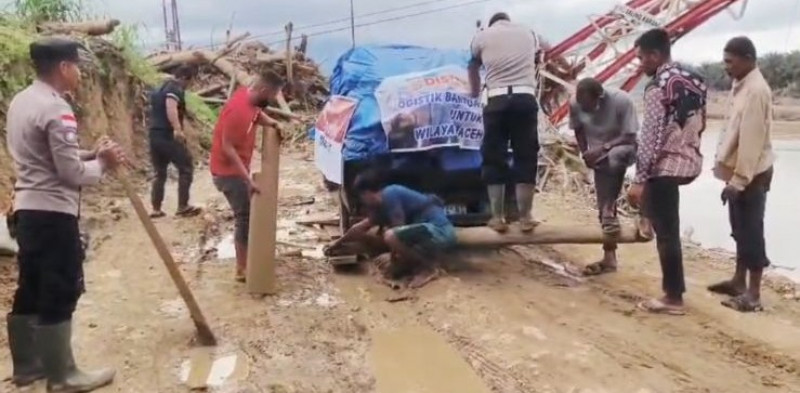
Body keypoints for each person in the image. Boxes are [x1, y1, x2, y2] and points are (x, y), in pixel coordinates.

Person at [6, 37, 124, 392]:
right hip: (54, 214)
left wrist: (88, 153)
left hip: (27, 211)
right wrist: (103, 163)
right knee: (59, 289)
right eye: (77, 67)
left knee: (31, 286)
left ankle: (27, 366)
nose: (80, 74)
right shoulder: (57, 109)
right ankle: (63, 376)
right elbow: (70, 174)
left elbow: (47, 157)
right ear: (64, 67)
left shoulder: (22, 101)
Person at [626, 28, 708, 315]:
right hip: (690, 161)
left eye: (641, 59)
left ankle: (673, 297)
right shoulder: (695, 81)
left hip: (665, 165)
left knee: (668, 233)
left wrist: (638, 179)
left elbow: (650, 136)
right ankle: (646, 217)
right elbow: (700, 123)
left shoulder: (657, 86)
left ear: (655, 55)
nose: (640, 65)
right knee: (667, 225)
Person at [707, 36, 774, 313]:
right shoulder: (741, 86)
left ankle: (754, 295)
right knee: (739, 229)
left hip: (750, 175)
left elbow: (751, 142)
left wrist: (739, 181)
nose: (726, 67)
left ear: (747, 59)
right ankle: (738, 281)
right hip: (738, 173)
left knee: (751, 232)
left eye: (729, 61)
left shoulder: (756, 91)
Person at [209, 71, 285, 282]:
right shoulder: (237, 110)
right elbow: (227, 147)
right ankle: (242, 268)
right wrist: (248, 179)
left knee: (248, 216)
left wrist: (272, 123)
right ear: (263, 90)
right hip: (227, 173)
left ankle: (248, 260)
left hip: (235, 171)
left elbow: (256, 114)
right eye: (271, 95)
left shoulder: (248, 98)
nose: (271, 100)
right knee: (244, 218)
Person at [468, 12, 540, 233]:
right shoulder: (529, 32)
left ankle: (498, 217)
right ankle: (525, 216)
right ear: (509, 21)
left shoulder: (481, 36)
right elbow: (539, 56)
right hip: (525, 99)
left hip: (496, 100)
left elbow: (472, 66)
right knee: (525, 155)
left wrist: (473, 92)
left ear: (492, 24)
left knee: (494, 155)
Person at [325, 171, 457, 287]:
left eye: (362, 198)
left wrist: (392, 258)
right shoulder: (380, 206)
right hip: (426, 234)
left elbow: (398, 231)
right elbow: (358, 228)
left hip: (440, 232)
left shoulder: (391, 193)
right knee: (375, 240)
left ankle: (427, 268)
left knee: (390, 236)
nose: (363, 202)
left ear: (367, 194)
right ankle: (416, 264)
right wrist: (336, 245)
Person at [568, 78, 638, 276]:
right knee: (603, 207)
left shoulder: (621, 101)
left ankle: (611, 205)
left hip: (623, 148)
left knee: (615, 157)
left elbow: (630, 136)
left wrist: (602, 148)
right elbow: (578, 129)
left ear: (600, 98)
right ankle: (610, 258)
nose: (585, 110)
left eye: (588, 106)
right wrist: (585, 153)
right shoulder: (575, 103)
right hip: (599, 155)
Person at [148, 64, 201, 218]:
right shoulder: (174, 89)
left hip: (154, 135)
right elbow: (170, 108)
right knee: (186, 168)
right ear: (184, 78)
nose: (188, 86)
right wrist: (177, 129)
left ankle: (156, 209)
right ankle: (182, 206)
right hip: (168, 135)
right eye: (189, 82)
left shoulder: (158, 88)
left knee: (160, 173)